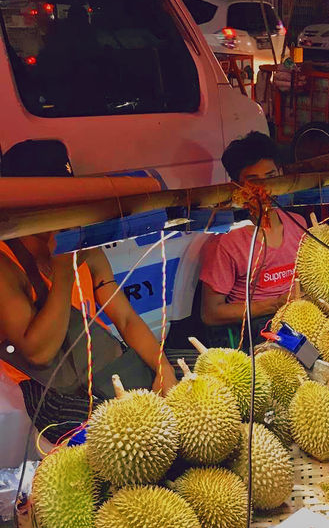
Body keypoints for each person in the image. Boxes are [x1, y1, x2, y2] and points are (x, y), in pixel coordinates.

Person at [0, 140, 177, 442]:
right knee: (133, 439)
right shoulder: (6, 263)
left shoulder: (88, 252)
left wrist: (165, 372)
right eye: (52, 200)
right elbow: (39, 353)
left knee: (186, 381)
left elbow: (125, 318)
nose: (65, 209)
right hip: (43, 389)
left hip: (94, 367)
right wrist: (65, 267)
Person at [199, 131, 306, 345]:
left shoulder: (298, 223)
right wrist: (274, 305)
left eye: (271, 177)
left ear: (282, 174)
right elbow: (210, 313)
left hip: (301, 317)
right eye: (254, 181)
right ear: (237, 187)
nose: (265, 189)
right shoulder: (226, 241)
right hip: (257, 327)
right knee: (306, 353)